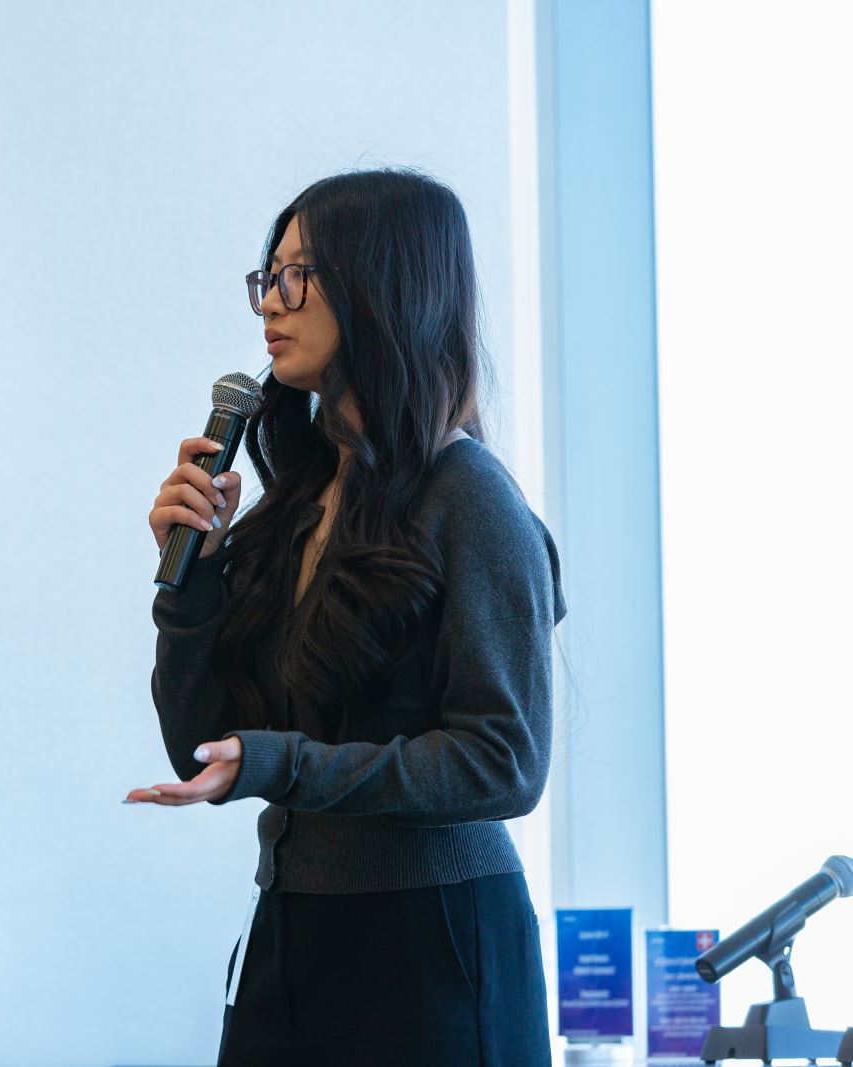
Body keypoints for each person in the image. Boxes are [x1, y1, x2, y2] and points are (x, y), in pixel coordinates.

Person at [129, 169, 564, 1065]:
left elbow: (505, 762)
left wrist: (281, 764)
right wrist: (193, 583)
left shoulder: (469, 496)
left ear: (382, 283)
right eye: (267, 276)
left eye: (297, 275)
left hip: (431, 945)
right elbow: (201, 745)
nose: (269, 305)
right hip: (294, 932)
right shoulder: (297, 500)